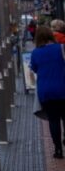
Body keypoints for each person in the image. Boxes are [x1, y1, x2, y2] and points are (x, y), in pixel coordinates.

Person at [31, 26, 65, 159]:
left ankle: (58, 149)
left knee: (54, 120)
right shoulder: (61, 48)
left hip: (46, 91)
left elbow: (34, 68)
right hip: (62, 88)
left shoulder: (35, 53)